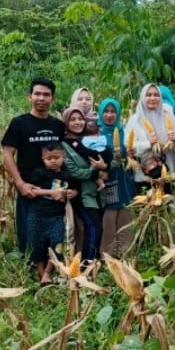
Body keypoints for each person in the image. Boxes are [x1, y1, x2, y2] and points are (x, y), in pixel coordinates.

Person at [1, 77, 65, 255]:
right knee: (28, 232)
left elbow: (66, 154)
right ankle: (29, 264)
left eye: (46, 95)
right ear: (30, 96)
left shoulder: (58, 125)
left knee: (54, 231)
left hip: (53, 188)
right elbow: (7, 153)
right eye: (37, 94)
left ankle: (52, 263)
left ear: (52, 98)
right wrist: (20, 183)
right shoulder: (19, 123)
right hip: (29, 187)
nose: (41, 98)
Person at [25, 143, 77, 284]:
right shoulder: (39, 173)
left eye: (56, 157)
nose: (53, 161)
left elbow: (74, 189)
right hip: (37, 214)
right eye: (49, 158)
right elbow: (32, 191)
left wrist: (73, 193)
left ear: (63, 157)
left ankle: (48, 272)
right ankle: (42, 274)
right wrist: (51, 192)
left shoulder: (66, 175)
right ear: (43, 159)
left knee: (57, 242)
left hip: (56, 216)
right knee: (35, 244)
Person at [61, 107, 107, 267]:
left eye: (80, 119)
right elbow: (72, 171)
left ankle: (92, 264)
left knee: (97, 228)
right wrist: (95, 172)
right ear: (66, 122)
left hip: (98, 194)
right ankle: (87, 265)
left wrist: (105, 166)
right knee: (94, 227)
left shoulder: (92, 138)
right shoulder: (64, 144)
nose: (77, 122)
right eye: (72, 119)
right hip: (81, 194)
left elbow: (111, 159)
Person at [97, 96, 134, 257]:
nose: (109, 115)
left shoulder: (123, 131)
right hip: (108, 180)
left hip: (124, 180)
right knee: (109, 219)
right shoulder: (97, 133)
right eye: (106, 111)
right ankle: (107, 256)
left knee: (125, 217)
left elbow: (130, 152)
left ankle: (126, 253)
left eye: (113, 112)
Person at [124, 83, 175, 189]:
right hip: (144, 175)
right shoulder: (135, 120)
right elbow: (129, 146)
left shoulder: (168, 116)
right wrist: (148, 144)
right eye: (148, 95)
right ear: (143, 97)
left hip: (168, 172)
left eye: (156, 95)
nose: (153, 98)